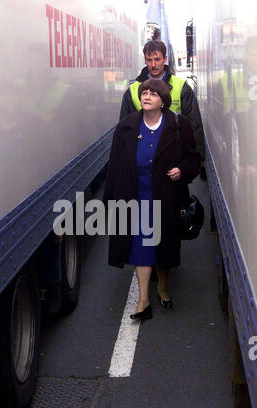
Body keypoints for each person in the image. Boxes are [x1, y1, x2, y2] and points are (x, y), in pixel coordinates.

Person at [104, 79, 200, 321]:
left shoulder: (179, 125)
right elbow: (115, 166)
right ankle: (143, 300)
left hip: (166, 197)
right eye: (144, 93)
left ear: (163, 100)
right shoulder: (126, 127)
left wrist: (181, 170)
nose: (146, 97)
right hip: (136, 197)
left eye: (153, 94)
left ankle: (162, 288)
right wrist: (111, 202)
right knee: (141, 247)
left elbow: (193, 159)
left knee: (164, 246)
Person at [119, 40, 205, 163]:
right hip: (143, 157)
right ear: (145, 60)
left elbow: (194, 125)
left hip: (175, 156)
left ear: (165, 59)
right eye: (149, 60)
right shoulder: (132, 91)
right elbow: (125, 129)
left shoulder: (181, 87)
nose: (153, 64)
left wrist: (194, 160)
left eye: (157, 59)